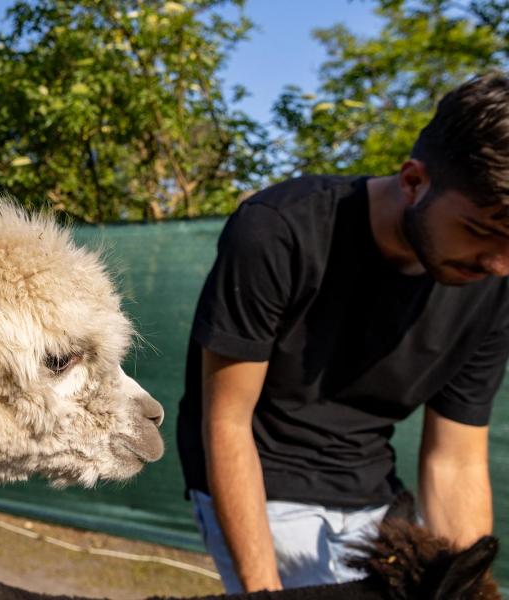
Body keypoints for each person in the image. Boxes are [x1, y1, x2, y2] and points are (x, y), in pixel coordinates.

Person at [176, 72, 509, 593]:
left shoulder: (495, 284)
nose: (497, 262)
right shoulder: (279, 229)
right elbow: (226, 424)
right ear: (414, 180)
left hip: (375, 497)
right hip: (264, 483)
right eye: (481, 230)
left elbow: (456, 460)